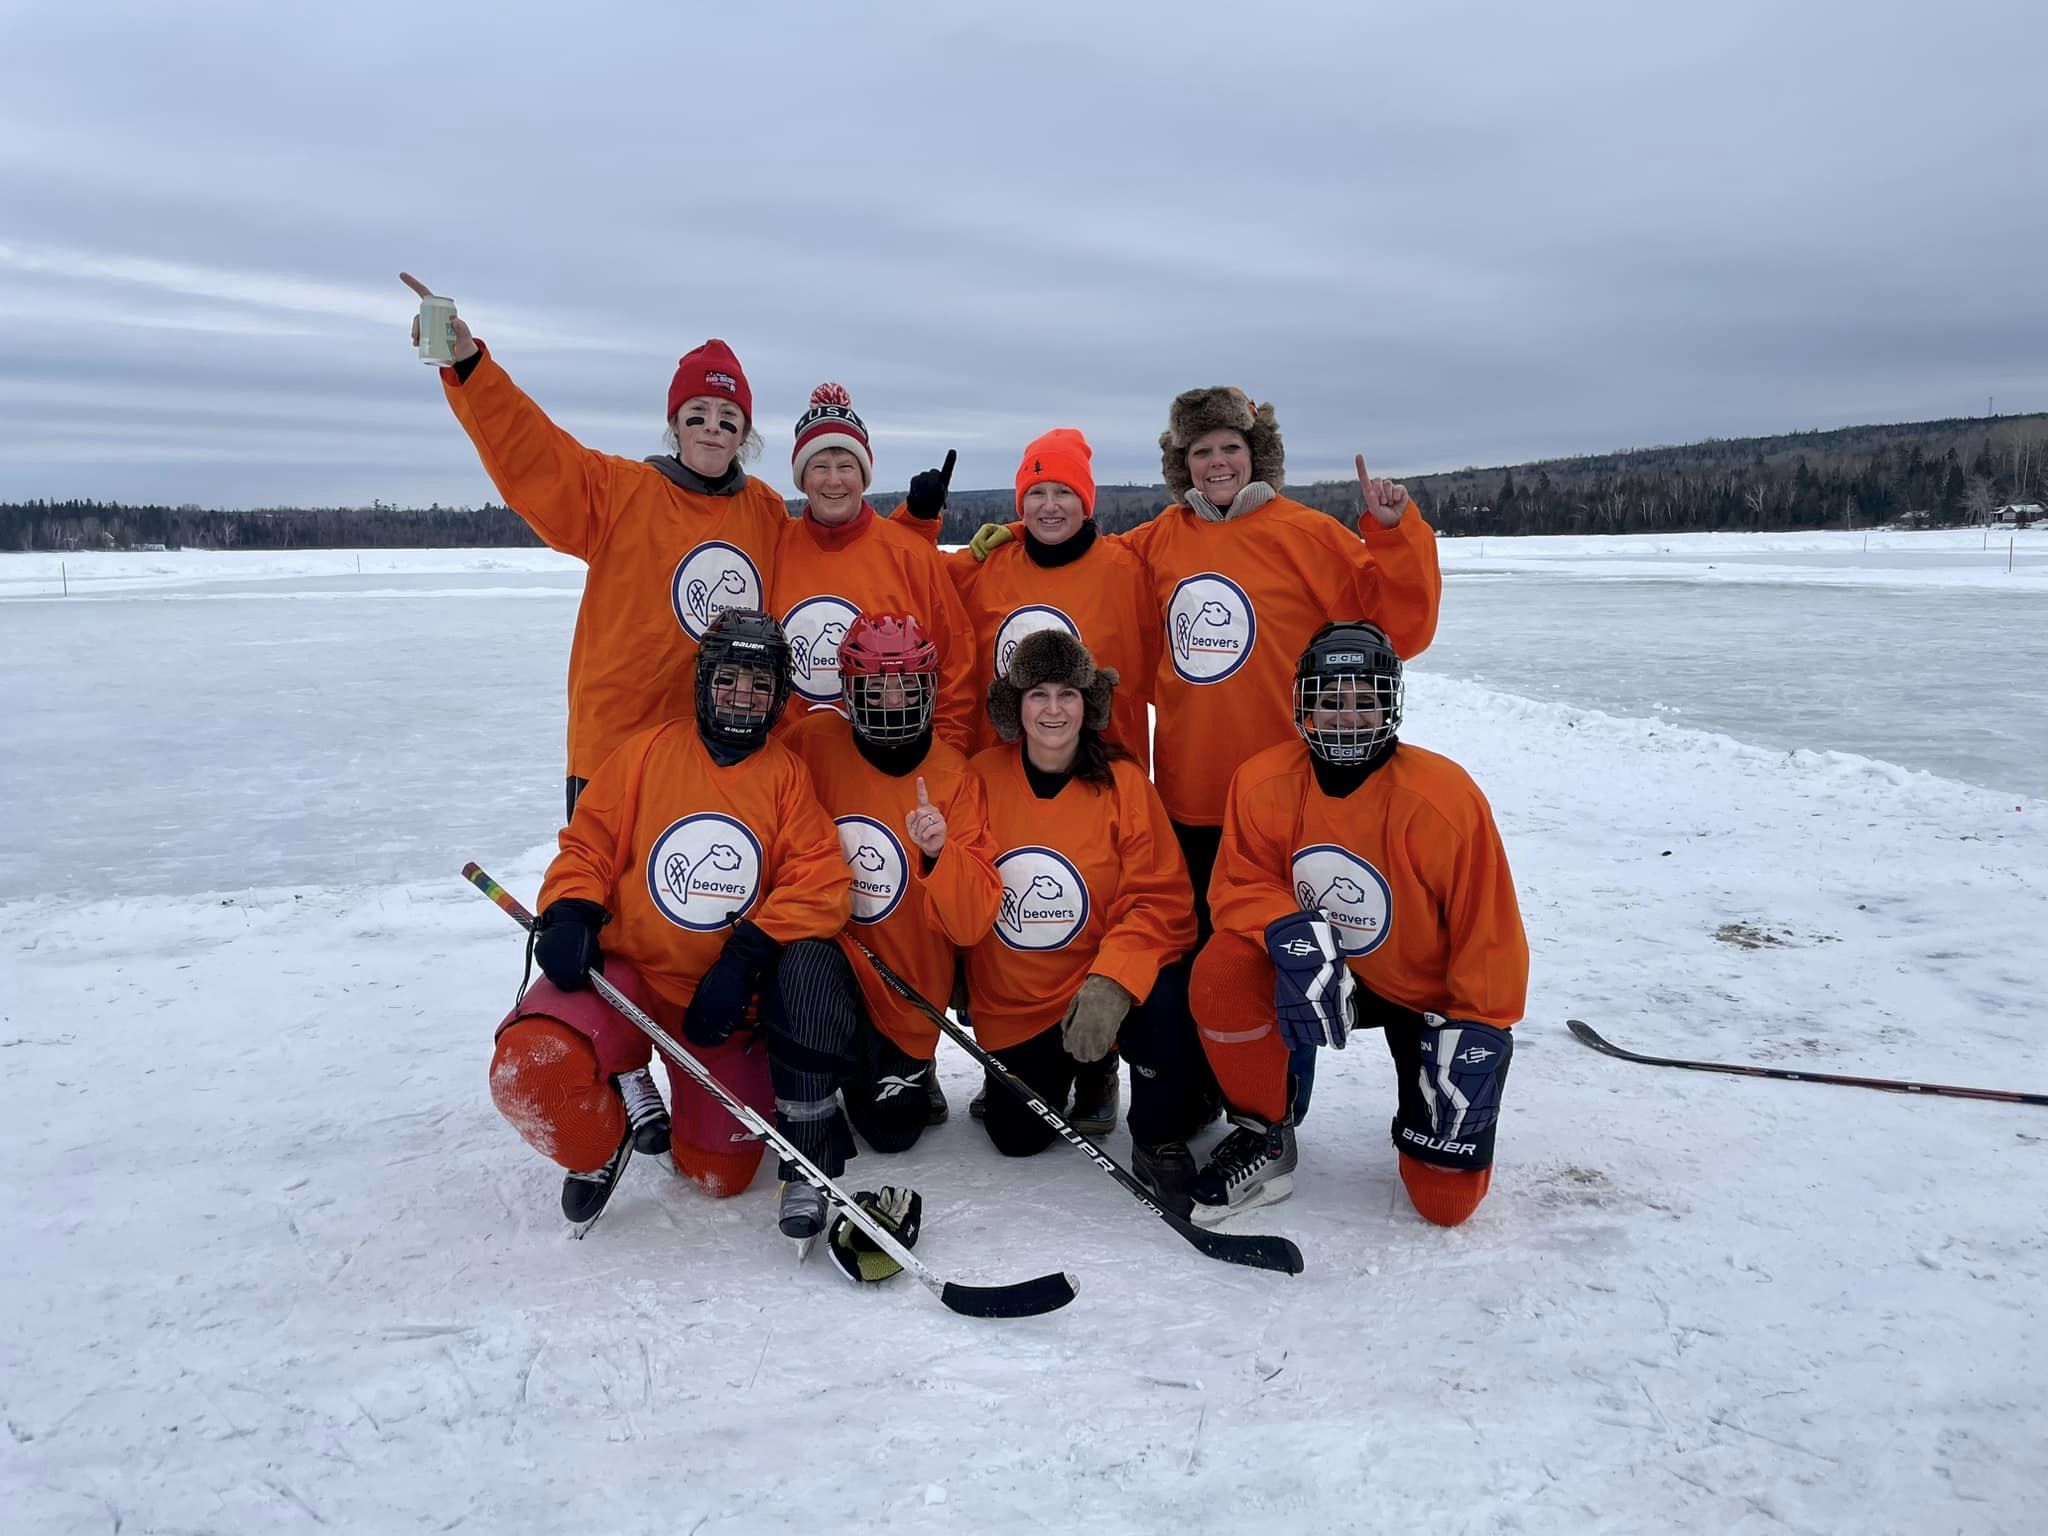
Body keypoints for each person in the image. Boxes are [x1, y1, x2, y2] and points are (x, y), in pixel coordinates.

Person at [485, 610, 859, 1240]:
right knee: (531, 1067)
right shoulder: (647, 754)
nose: (743, 696)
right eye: (730, 679)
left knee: (718, 1176)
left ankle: (686, 1103)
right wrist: (571, 909)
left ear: (778, 698)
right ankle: (604, 1133)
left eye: (760, 685)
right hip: (626, 980)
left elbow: (822, 883)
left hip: (717, 1003)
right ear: (704, 681)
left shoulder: (785, 776)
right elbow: (587, 847)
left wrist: (745, 959)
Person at [401, 273, 786, 821]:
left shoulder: (766, 512)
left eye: (728, 419)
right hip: (617, 753)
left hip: (728, 748)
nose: (711, 429)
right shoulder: (619, 492)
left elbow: (835, 557)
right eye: (696, 415)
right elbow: (536, 455)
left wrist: (915, 526)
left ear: (744, 433)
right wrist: (468, 365)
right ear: (675, 425)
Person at [1186, 621, 1528, 1229]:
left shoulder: (1443, 797)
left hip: (1420, 993)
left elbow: (1488, 930)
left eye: (1364, 701)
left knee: (1445, 1203)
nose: (1347, 716)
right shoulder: (1262, 781)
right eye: (1331, 700)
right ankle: (1265, 1131)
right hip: (1314, 973)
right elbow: (1237, 886)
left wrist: (1480, 1025)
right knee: (1221, 972)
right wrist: (1287, 927)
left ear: (1389, 703)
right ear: (1304, 704)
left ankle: (1435, 1095)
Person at [1118, 388, 1444, 942]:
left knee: (1280, 953)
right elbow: (1079, 565)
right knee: (1198, 951)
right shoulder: (1156, 541)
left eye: (1229, 446)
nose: (1216, 462)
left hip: (1285, 792)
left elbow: (1399, 629)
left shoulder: (1307, 535)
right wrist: (1018, 535)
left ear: (1256, 454)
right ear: (1183, 464)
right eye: (1200, 451)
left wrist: (1394, 535)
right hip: (1188, 795)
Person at [963, 629, 1215, 1212]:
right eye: (1038, 694)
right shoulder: (979, 777)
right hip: (1022, 998)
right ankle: (1084, 1067)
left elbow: (1163, 900)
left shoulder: (1125, 783)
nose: (1054, 709)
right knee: (1017, 1139)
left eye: (1068, 694)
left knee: (1166, 988)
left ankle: (1157, 1136)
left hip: (1101, 984)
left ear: (1089, 703)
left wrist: (1114, 980)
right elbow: (964, 886)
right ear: (1014, 705)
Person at [784, 612, 1003, 1144]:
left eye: (905, 686)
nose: (891, 701)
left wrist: (938, 854)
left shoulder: (953, 774)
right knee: (797, 975)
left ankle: (903, 1064)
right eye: (874, 688)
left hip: (905, 992)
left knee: (892, 1133)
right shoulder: (812, 743)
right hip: (830, 970)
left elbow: (972, 923)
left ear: (928, 688)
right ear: (849, 689)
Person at [770, 384, 979, 755]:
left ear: (864, 477)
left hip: (890, 769)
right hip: (790, 768)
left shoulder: (910, 555)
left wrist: (944, 761)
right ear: (802, 478)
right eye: (819, 467)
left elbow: (956, 670)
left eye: (846, 467)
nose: (834, 481)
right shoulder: (772, 549)